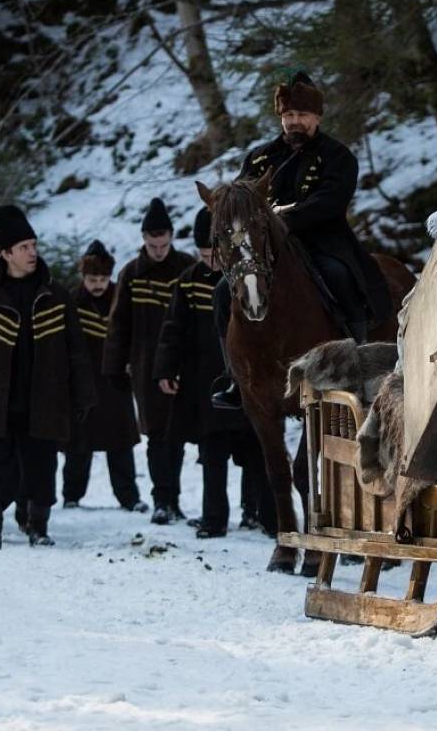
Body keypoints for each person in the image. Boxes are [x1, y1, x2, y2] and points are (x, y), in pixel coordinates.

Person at [211, 70, 391, 410]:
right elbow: (237, 200)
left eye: (302, 115)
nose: (295, 122)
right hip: (266, 250)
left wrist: (288, 218)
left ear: (317, 117)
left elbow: (331, 200)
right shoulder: (260, 158)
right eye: (289, 115)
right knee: (223, 293)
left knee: (340, 278)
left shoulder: (337, 156)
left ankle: (357, 363)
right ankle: (235, 376)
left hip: (322, 240)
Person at [0, 205, 97, 550]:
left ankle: (38, 527)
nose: (32, 253)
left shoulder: (56, 295)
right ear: (6, 253)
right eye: (24, 247)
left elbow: (76, 349)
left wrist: (84, 394)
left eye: (33, 245)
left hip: (43, 397)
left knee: (42, 464)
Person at [154, 208, 274, 538]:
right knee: (212, 456)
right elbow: (173, 330)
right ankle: (214, 519)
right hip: (207, 384)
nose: (211, 262)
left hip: (246, 378)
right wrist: (166, 368)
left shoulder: (246, 280)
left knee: (256, 453)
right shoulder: (189, 283)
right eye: (204, 256)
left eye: (215, 255)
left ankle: (262, 515)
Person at [103, 198, 195, 526]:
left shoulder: (186, 267)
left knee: (178, 435)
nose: (158, 250)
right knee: (157, 435)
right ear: (144, 239)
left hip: (181, 363)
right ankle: (161, 498)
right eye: (152, 244)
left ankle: (175, 499)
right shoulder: (131, 273)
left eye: (164, 244)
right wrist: (114, 367)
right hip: (144, 365)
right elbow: (119, 324)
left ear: (172, 237)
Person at [61, 240, 146, 511]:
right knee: (78, 447)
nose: (97, 284)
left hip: (115, 380)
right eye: (91, 278)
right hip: (82, 382)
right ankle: (71, 496)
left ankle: (129, 498)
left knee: (120, 445)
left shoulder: (121, 300)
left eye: (102, 278)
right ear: (83, 277)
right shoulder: (71, 302)